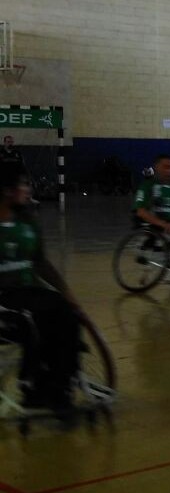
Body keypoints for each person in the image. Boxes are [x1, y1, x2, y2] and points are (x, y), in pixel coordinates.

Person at [0, 166, 82, 411]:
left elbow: (41, 262)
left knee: (67, 314)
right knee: (32, 322)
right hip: (4, 297)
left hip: (28, 293)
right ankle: (30, 385)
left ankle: (59, 385)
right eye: (23, 185)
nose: (28, 190)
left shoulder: (27, 221)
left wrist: (67, 293)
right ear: (6, 191)